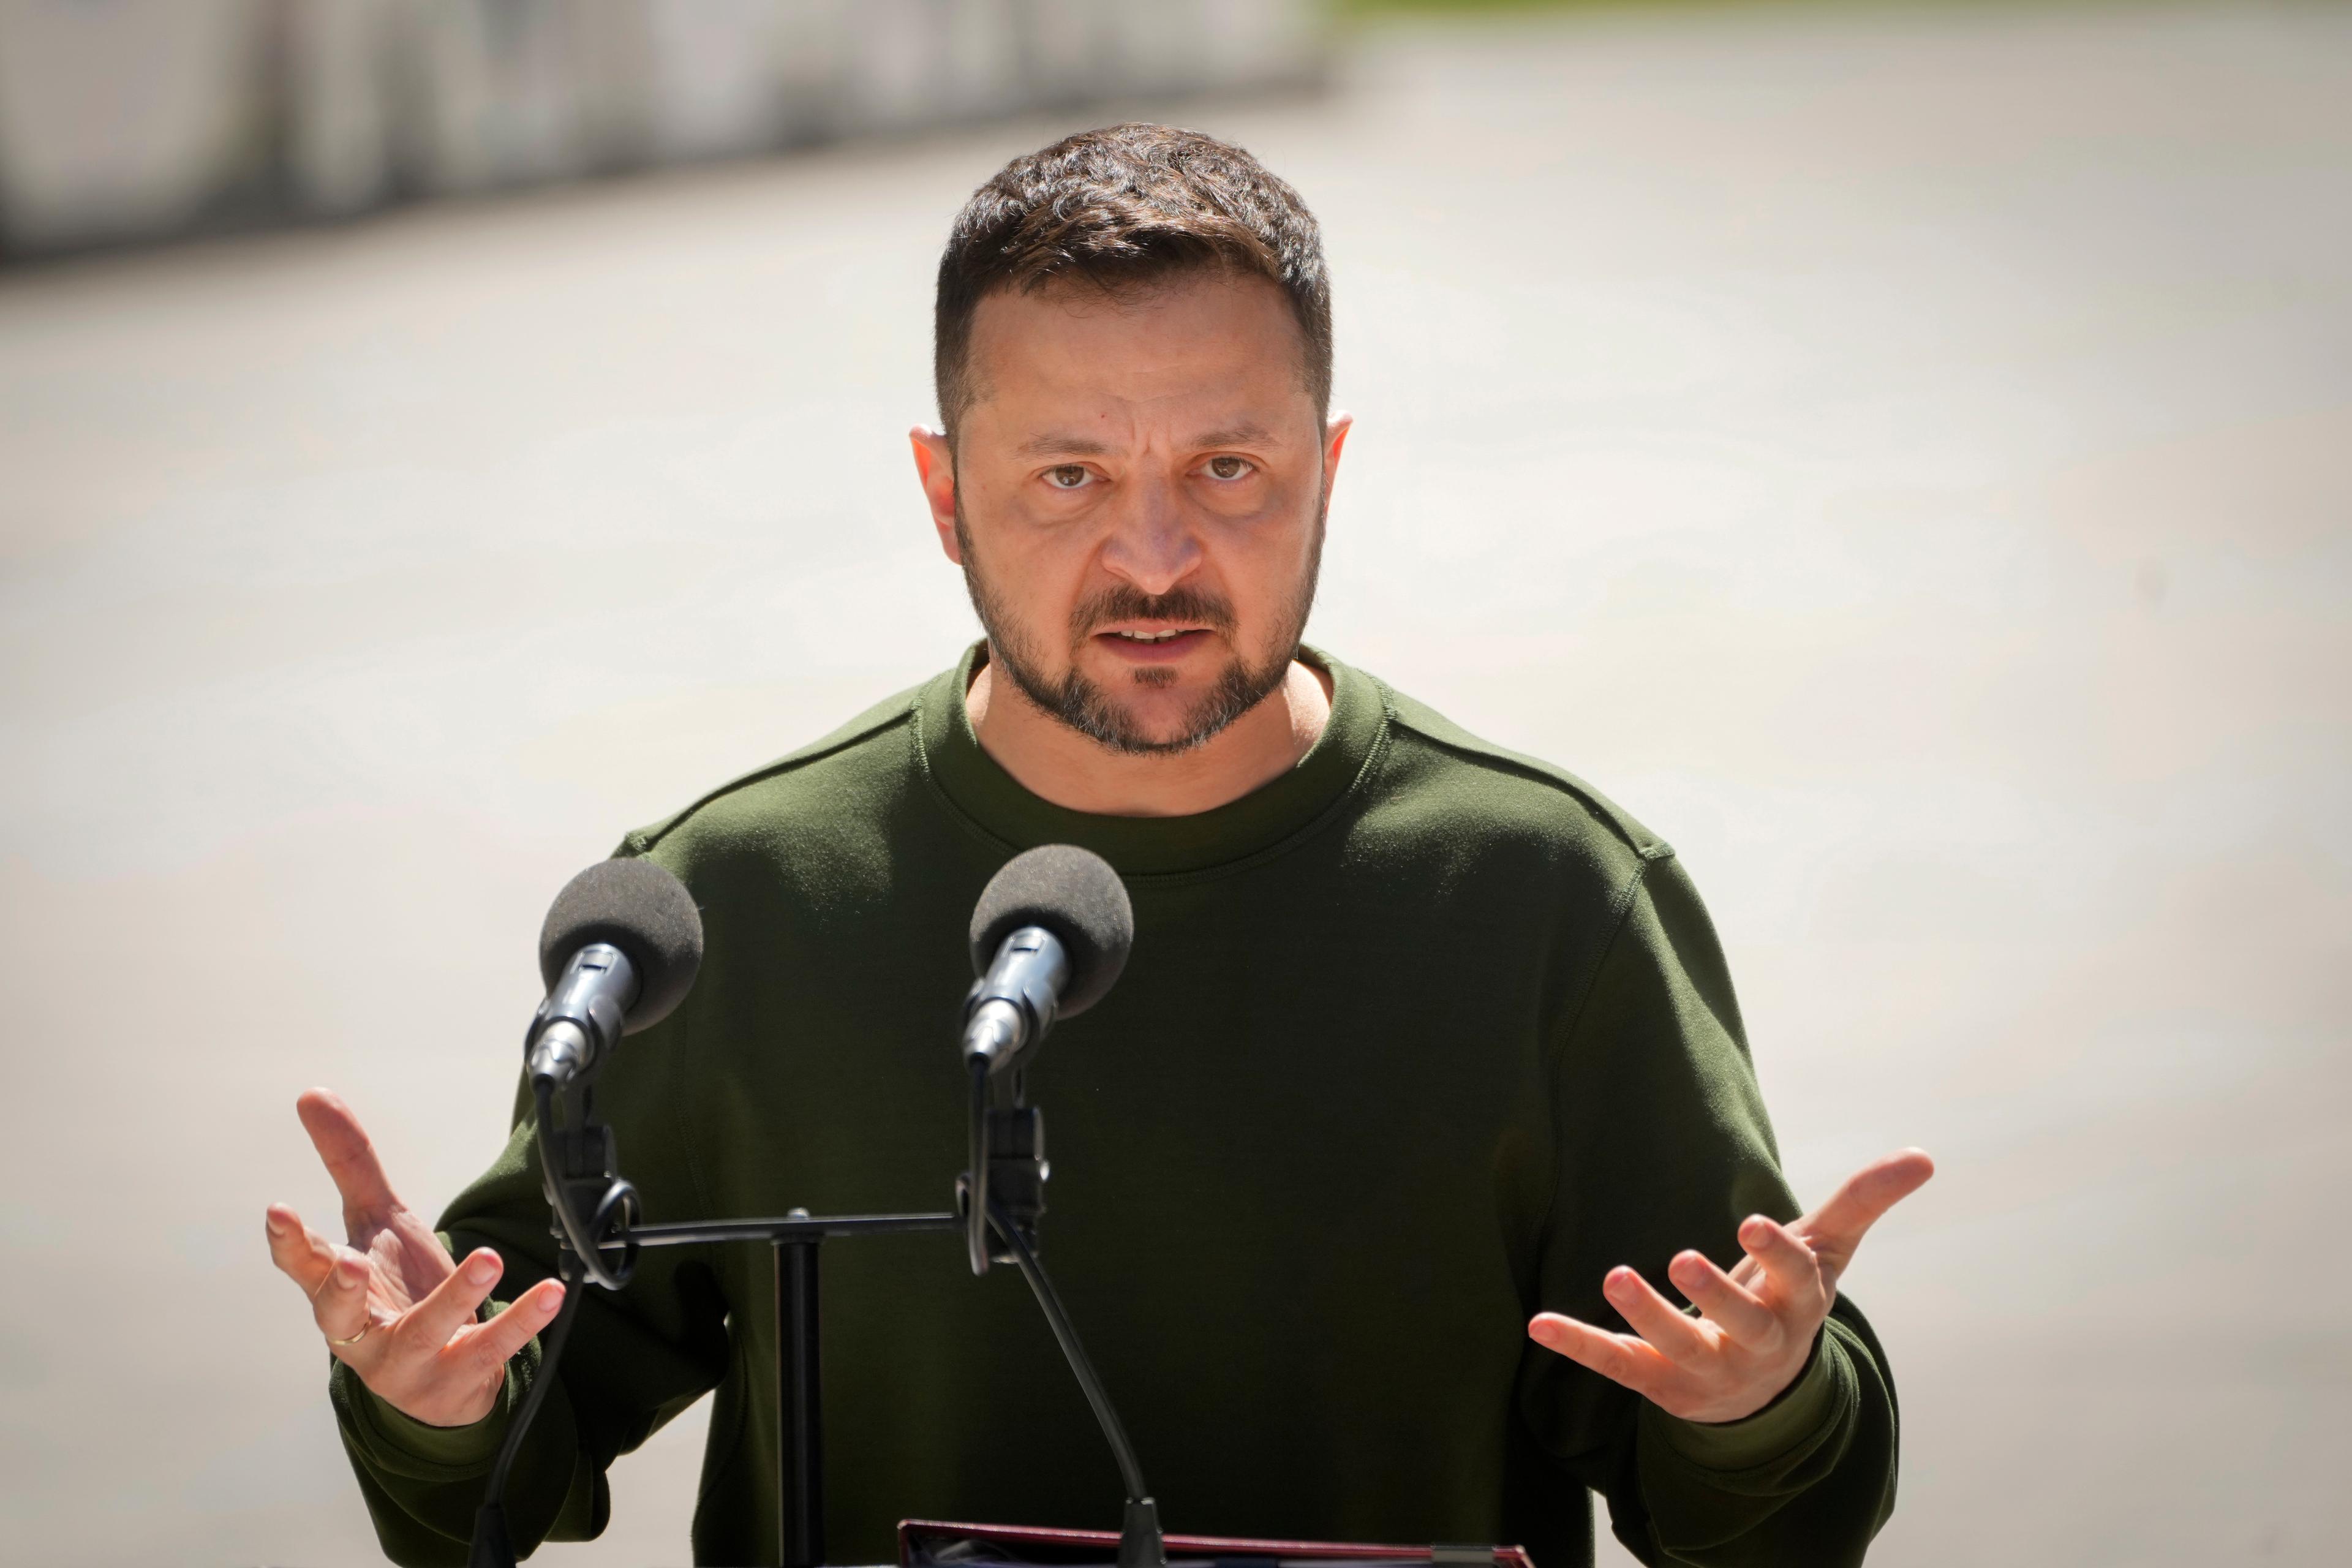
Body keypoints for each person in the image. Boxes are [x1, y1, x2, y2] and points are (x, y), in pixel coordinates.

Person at [264, 124, 1931, 1568]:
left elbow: (1770, 1528)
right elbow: (504, 1461)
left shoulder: (1543, 895)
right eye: (1069, 475)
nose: (1155, 555)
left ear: (1327, 471)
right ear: (942, 492)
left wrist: (1761, 1410)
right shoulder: (737, 903)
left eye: (1228, 468)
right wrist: (432, 1401)